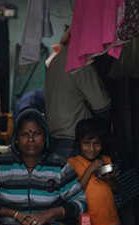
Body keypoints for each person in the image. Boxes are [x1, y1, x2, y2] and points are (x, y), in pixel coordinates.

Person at [44, 26, 111, 160]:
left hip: (55, 137)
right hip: (75, 138)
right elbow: (102, 106)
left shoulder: (56, 60)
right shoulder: (80, 63)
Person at [67, 118, 121, 225]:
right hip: (90, 222)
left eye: (96, 143)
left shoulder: (106, 160)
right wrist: (91, 169)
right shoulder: (73, 163)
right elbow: (76, 190)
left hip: (111, 219)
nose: (91, 148)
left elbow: (116, 189)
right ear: (79, 143)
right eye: (87, 143)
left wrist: (109, 179)